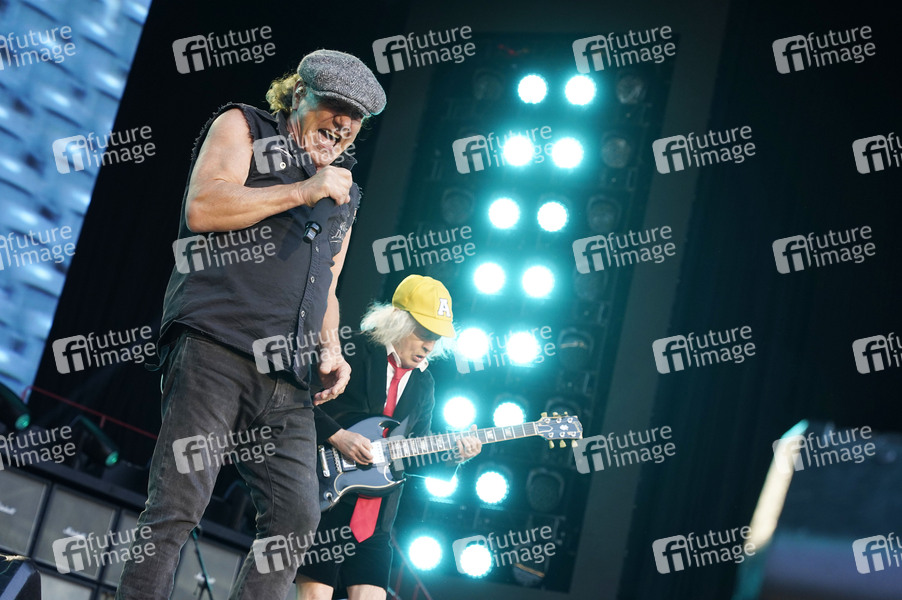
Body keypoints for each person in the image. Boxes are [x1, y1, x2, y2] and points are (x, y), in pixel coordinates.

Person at [116, 50, 386, 600]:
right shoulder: (244, 126)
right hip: (217, 347)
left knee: (295, 518)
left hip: (287, 380)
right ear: (298, 94)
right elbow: (204, 207)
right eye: (334, 106)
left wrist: (331, 348)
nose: (343, 123)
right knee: (177, 505)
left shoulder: (345, 190)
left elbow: (328, 282)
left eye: (355, 117)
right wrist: (301, 191)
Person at [296, 275, 482, 600]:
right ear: (398, 320)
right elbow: (294, 402)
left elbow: (413, 457)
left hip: (376, 519)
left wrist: (455, 455)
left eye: (436, 337)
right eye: (424, 333)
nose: (429, 345)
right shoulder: (351, 350)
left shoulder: (424, 385)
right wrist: (338, 436)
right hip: (327, 501)